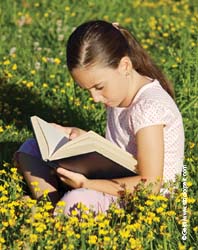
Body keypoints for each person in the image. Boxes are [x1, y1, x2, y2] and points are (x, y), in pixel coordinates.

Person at [15, 20, 184, 214]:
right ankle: (53, 209)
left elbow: (151, 185)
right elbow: (121, 151)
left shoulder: (149, 108)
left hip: (142, 198)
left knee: (76, 201)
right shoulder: (118, 93)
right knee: (29, 149)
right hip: (113, 177)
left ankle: (54, 211)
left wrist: (86, 183)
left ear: (125, 66)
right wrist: (79, 136)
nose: (95, 98)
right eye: (87, 90)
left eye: (99, 87)